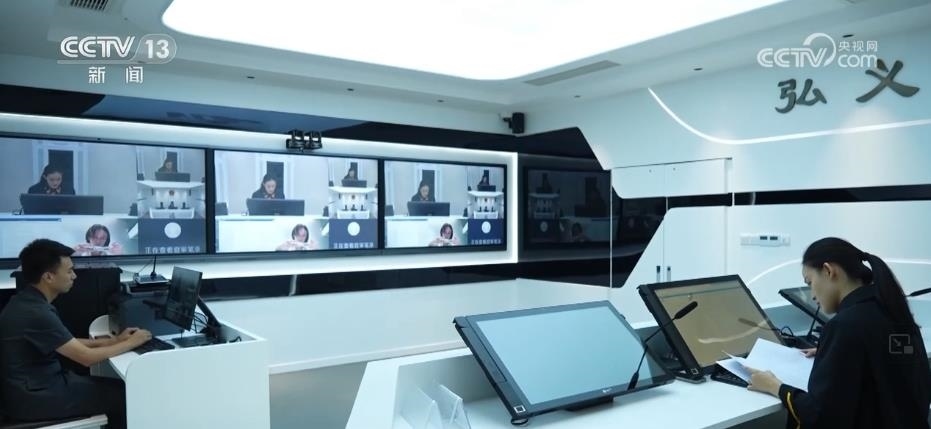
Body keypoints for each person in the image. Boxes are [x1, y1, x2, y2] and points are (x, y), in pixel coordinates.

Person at [743, 237, 931, 429]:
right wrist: (836, 352)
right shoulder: (894, 312)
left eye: (809, 282)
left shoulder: (846, 325)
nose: (812, 295)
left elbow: (821, 416)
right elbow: (895, 365)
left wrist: (775, 387)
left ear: (828, 271)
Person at [0, 239, 152, 428]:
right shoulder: (37, 313)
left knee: (116, 387)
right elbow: (86, 358)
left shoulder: (25, 301)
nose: (74, 276)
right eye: (69, 271)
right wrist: (132, 342)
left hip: (30, 388)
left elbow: (67, 342)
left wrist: (114, 341)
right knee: (125, 393)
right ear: (48, 277)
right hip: (35, 398)